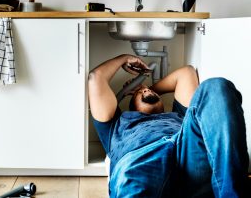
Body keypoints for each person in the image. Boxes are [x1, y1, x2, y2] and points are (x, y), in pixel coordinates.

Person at [88, 54, 249, 198]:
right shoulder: (117, 123)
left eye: (147, 91)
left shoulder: (179, 115)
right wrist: (124, 58)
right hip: (141, 161)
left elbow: (186, 73)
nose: (145, 92)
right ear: (131, 105)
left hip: (187, 153)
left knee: (215, 86)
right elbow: (96, 78)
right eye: (139, 94)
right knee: (132, 177)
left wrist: (146, 88)